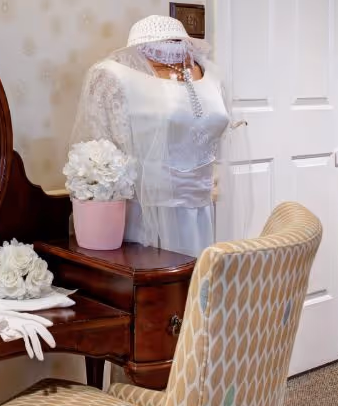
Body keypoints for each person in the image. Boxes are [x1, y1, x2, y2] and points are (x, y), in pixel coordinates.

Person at [71, 15, 241, 257]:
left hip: (202, 213)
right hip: (150, 218)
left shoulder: (212, 75)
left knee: (199, 286)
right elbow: (104, 145)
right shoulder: (113, 77)